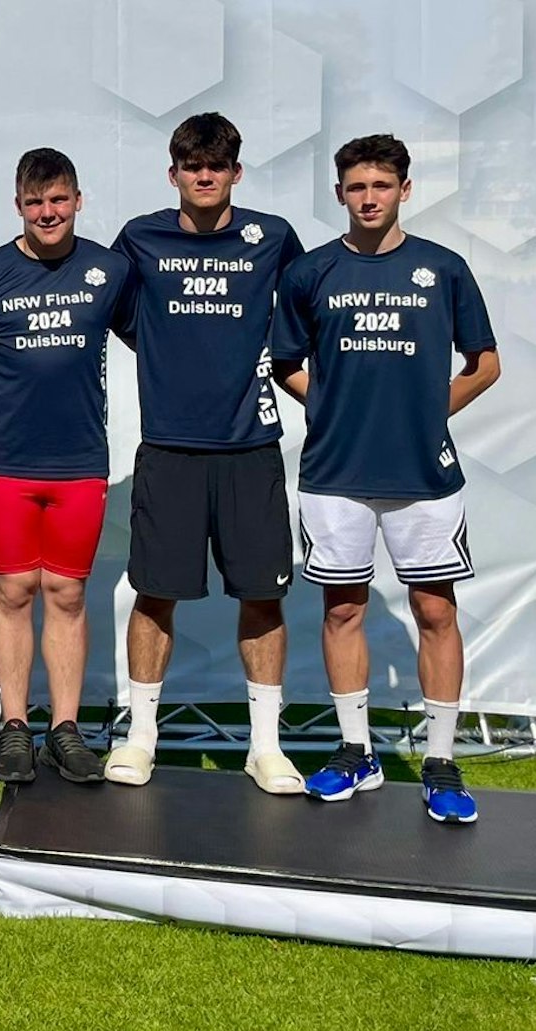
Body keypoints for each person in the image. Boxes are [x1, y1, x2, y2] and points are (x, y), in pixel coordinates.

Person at [272, 134, 499, 824]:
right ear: (338, 193)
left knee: (434, 609)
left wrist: (429, 414)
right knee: (341, 609)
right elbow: (285, 361)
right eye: (354, 186)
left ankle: (438, 759)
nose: (367, 197)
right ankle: (354, 752)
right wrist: (336, 408)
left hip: (421, 473)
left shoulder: (442, 268)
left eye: (379, 185)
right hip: (334, 472)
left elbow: (483, 364)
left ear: (404, 189)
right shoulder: (309, 273)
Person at [106, 113, 305, 792]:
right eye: (191, 165)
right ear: (173, 174)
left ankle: (266, 747)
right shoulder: (138, 237)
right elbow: (114, 312)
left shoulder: (271, 237)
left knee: (261, 597)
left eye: (215, 165)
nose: (202, 175)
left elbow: (307, 313)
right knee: (154, 594)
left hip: (249, 446)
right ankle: (139, 739)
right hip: (168, 448)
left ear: (234, 173)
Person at [0, 148, 135, 787]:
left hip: (80, 461)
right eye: (35, 202)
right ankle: (16, 725)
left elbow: (154, 339)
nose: (47, 213)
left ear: (78, 201)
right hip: (3, 463)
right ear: (18, 205)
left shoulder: (109, 270)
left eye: (59, 200)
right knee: (16, 590)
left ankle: (66, 729)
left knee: (69, 593)